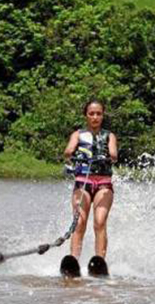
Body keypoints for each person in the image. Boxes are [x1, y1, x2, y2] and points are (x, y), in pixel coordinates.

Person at [63, 100, 118, 265]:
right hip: (82, 183)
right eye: (91, 113)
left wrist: (107, 156)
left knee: (100, 221)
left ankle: (99, 262)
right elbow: (67, 152)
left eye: (98, 114)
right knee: (79, 222)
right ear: (86, 115)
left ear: (102, 115)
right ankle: (73, 261)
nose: (95, 117)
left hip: (103, 184)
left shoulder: (109, 135)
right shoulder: (78, 135)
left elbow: (114, 155)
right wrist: (73, 154)